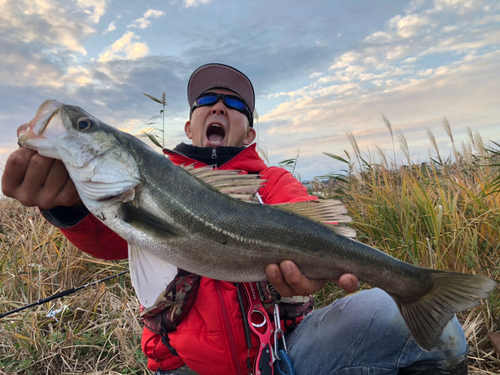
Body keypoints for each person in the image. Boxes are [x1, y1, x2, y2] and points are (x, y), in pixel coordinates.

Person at [2, 63, 469, 375]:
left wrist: (322, 269)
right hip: (186, 366)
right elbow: (110, 240)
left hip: (285, 356)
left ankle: (415, 286)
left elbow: (323, 235)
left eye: (236, 103)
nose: (220, 106)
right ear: (189, 125)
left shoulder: (273, 182)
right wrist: (66, 205)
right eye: (206, 100)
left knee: (423, 330)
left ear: (250, 128)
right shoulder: (151, 182)